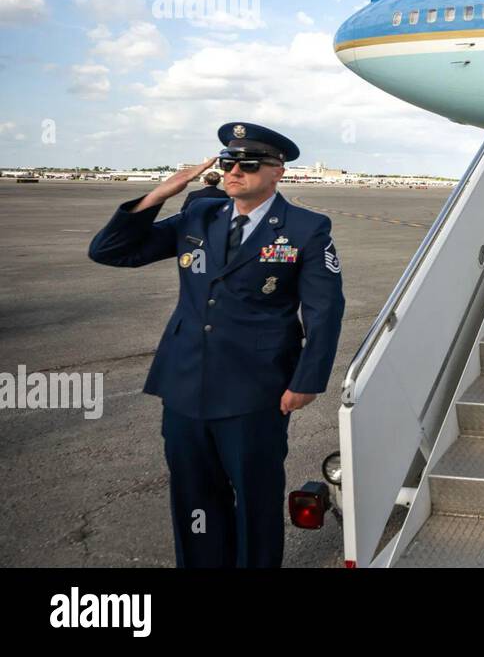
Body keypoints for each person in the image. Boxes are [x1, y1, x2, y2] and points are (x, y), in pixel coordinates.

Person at [88, 122, 344, 567]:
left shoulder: (306, 228)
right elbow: (111, 251)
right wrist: (159, 195)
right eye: (228, 162)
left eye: (248, 164)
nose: (234, 171)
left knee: (255, 497)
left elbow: (324, 311)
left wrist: (307, 381)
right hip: (184, 383)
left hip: (255, 390)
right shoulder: (198, 216)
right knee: (193, 498)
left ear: (277, 172)